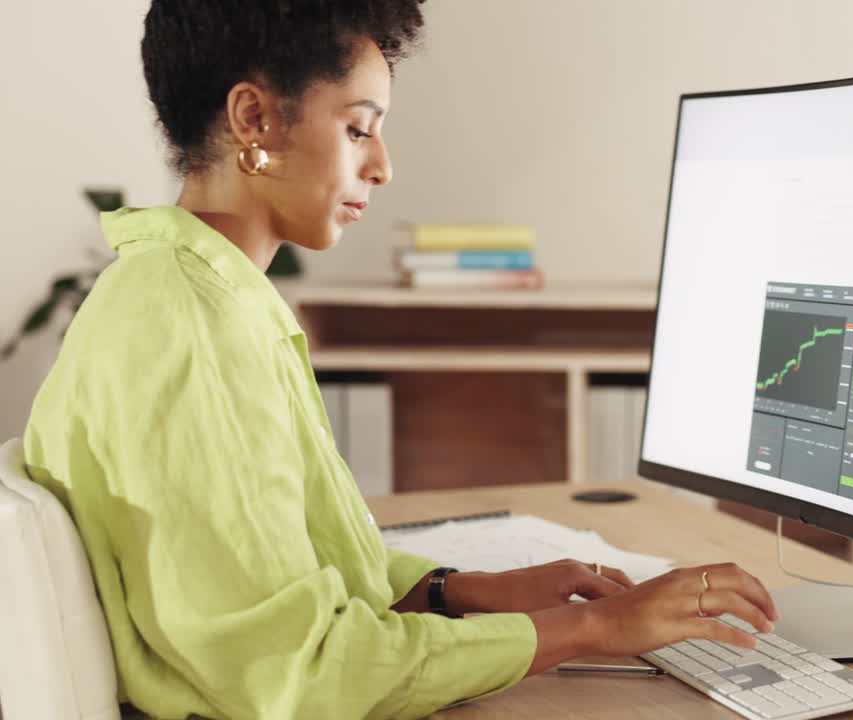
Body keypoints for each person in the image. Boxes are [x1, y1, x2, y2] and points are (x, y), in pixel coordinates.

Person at [21, 1, 779, 719]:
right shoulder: (189, 328)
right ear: (254, 117)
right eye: (358, 130)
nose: (382, 166)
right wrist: (598, 630)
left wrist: (465, 591)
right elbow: (303, 672)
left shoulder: (194, 290)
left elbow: (299, 571)